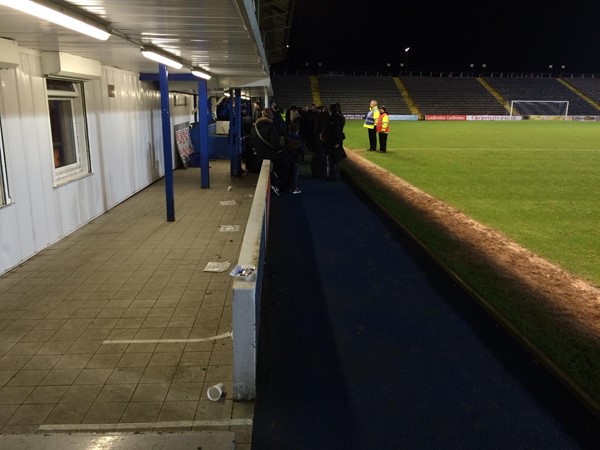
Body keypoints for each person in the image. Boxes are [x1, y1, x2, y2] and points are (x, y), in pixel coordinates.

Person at [250, 108, 290, 194]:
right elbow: (276, 143)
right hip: (270, 154)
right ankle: (279, 185)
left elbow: (252, 142)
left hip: (260, 155)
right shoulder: (270, 127)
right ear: (270, 116)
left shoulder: (254, 127)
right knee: (285, 163)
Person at [324, 103, 346, 179]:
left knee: (333, 157)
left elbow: (336, 131)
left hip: (334, 140)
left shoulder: (334, 118)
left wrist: (336, 142)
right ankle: (335, 173)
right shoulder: (339, 117)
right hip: (337, 139)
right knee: (336, 158)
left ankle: (333, 174)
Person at [285, 122, 306, 194]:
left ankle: (288, 187)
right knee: (295, 174)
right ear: (297, 130)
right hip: (296, 159)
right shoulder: (299, 140)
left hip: (288, 158)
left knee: (289, 173)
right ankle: (294, 188)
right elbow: (303, 150)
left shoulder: (286, 139)